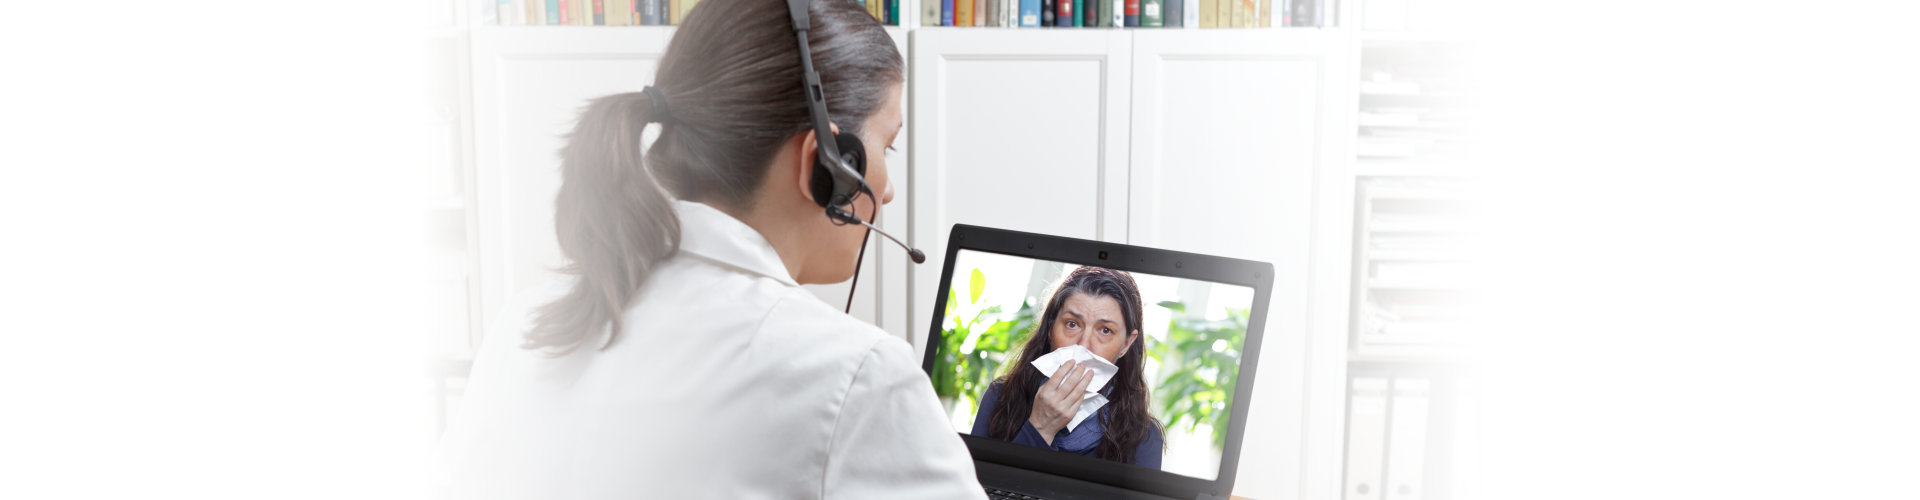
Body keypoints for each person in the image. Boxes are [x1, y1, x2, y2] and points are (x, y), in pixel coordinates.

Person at [436, 0, 982, 497]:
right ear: (825, 165)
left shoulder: (526, 321)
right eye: (886, 146)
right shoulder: (858, 376)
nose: (885, 190)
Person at [970, 266, 1165, 469]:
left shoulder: (1144, 439)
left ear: (1126, 344)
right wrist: (1039, 428)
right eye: (1072, 324)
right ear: (1050, 329)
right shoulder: (1001, 397)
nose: (1083, 345)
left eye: (1105, 330)